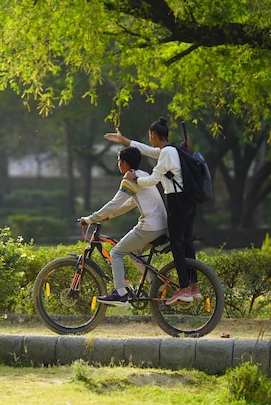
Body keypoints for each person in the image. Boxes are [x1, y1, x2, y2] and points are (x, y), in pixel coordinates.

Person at [104, 117, 200, 305]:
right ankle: (193, 285)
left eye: (150, 136)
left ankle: (184, 288)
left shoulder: (166, 154)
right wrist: (125, 141)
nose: (150, 140)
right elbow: (146, 151)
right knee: (186, 242)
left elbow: (153, 179)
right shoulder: (171, 151)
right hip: (188, 201)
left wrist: (134, 179)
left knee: (178, 244)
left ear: (154, 135)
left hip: (177, 201)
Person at [79, 146, 167, 307]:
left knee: (117, 252)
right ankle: (157, 282)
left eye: (119, 160)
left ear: (125, 163)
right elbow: (129, 203)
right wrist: (109, 216)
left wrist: (90, 219)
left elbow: (114, 203)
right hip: (161, 225)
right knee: (133, 252)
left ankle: (120, 293)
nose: (118, 164)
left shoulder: (129, 178)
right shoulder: (142, 176)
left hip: (149, 227)